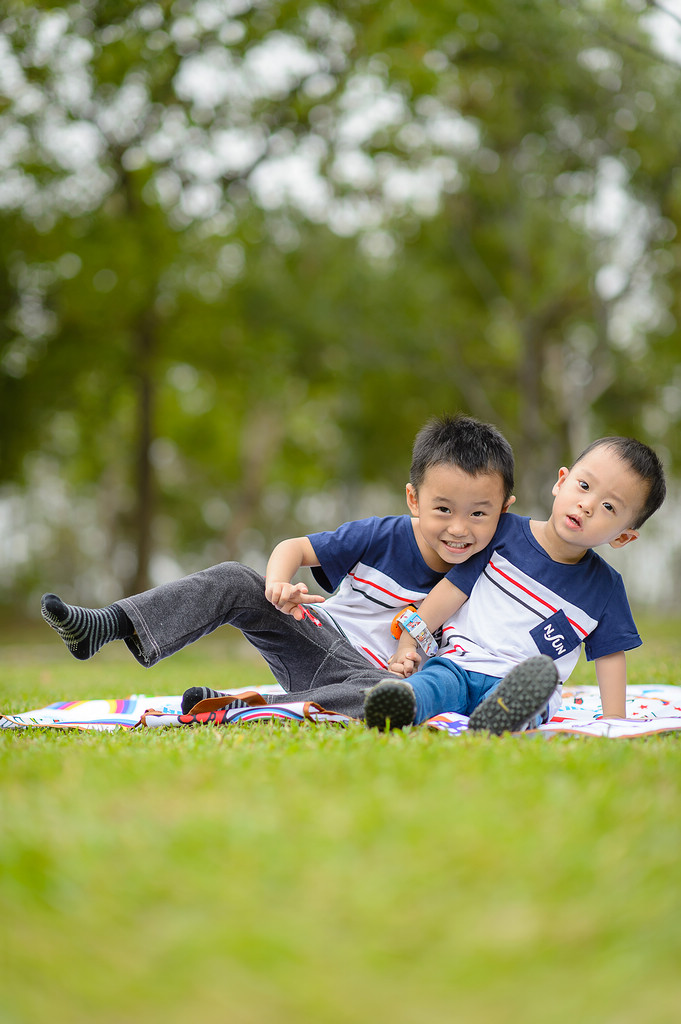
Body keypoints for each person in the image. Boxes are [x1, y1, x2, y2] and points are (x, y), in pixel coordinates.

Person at [40, 414, 516, 722]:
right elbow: (293, 548)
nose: (459, 529)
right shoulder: (383, 535)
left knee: (394, 696)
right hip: (315, 642)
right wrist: (277, 584)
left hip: (371, 681)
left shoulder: (495, 573)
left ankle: (235, 709)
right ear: (414, 499)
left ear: (504, 511)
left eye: (479, 513)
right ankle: (105, 624)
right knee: (234, 578)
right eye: (443, 509)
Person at [364, 435, 666, 734]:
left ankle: (502, 716)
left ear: (622, 537)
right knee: (433, 684)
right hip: (459, 662)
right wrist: (408, 642)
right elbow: (450, 592)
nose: (587, 505)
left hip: (522, 683)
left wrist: (614, 719)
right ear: (562, 482)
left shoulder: (605, 587)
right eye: (584, 487)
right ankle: (402, 704)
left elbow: (609, 655)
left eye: (609, 507)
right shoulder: (503, 534)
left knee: (538, 699)